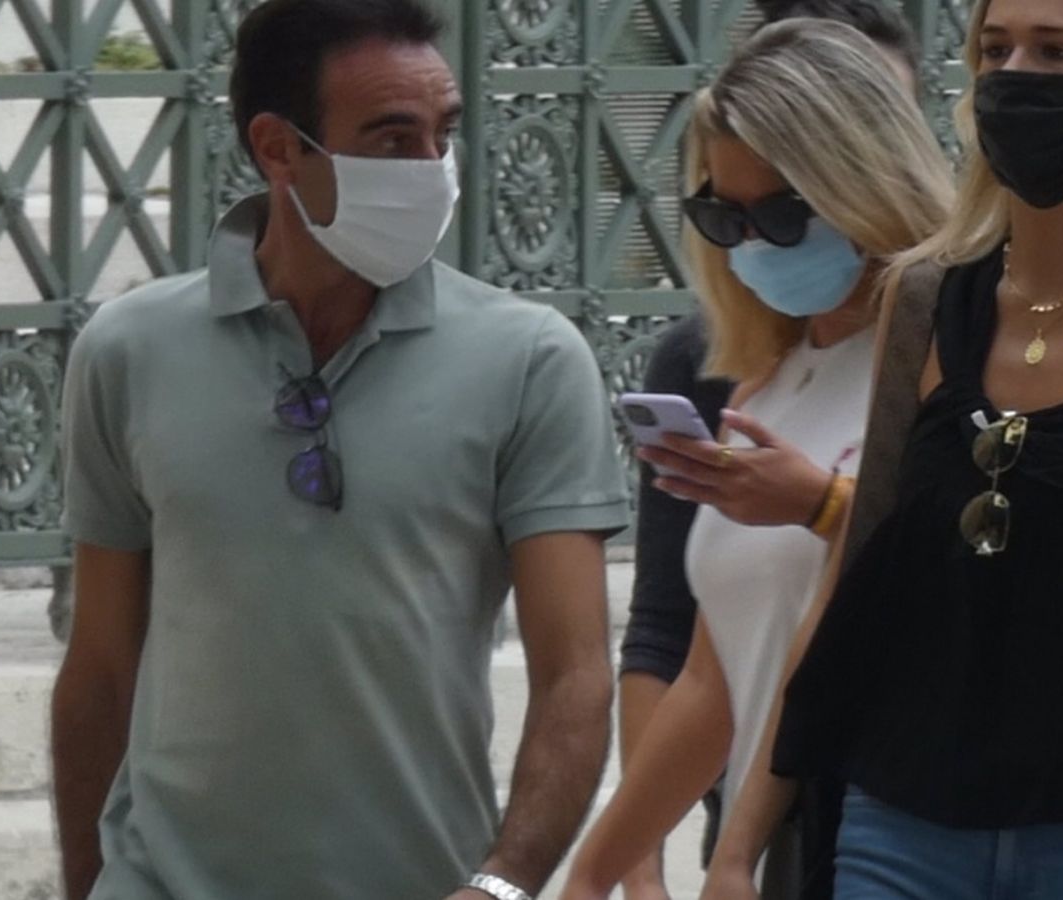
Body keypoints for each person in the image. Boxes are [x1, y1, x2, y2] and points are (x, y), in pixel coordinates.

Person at [702, 0, 1063, 897]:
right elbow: (853, 582)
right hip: (899, 833)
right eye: (995, 49)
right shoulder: (926, 296)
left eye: (1057, 51)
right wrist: (736, 853)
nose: (1017, 75)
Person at [49, 2, 630, 899]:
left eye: (443, 134)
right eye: (392, 140)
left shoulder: (530, 361)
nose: (432, 169)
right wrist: (89, 883)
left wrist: (505, 885)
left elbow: (578, 675)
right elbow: (99, 667)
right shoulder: (129, 351)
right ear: (279, 148)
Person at [561, 18, 954, 900]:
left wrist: (821, 504)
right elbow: (714, 674)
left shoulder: (950, 351)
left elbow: (951, 561)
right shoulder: (761, 387)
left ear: (862, 184)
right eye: (721, 214)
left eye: (781, 214)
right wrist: (601, 871)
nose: (752, 244)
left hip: (899, 844)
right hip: (776, 852)